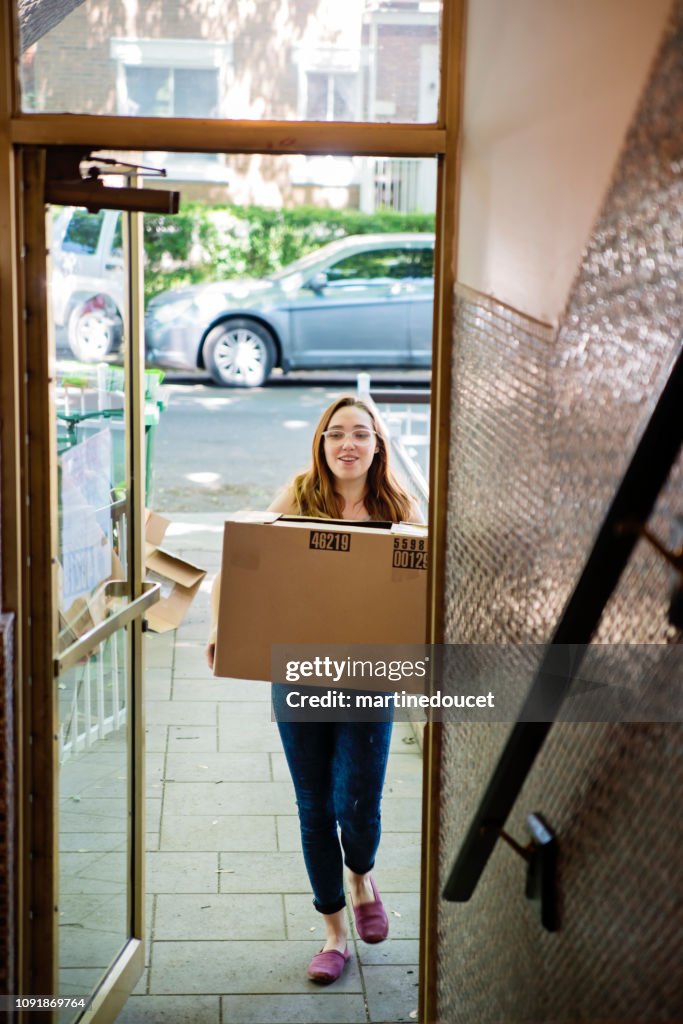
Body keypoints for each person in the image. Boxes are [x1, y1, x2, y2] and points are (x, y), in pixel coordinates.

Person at [207, 395, 422, 985]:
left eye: (360, 433)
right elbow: (241, 559)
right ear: (321, 444)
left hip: (370, 677)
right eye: (335, 434)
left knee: (358, 801)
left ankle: (361, 876)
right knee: (313, 806)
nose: (347, 444)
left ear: (378, 444)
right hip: (298, 672)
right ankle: (333, 932)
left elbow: (427, 589)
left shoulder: (400, 509)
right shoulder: (299, 495)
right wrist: (222, 628)